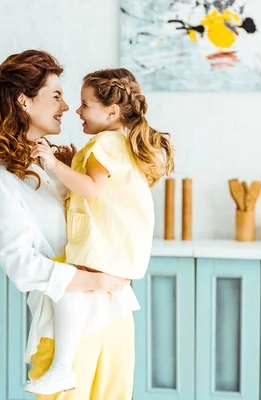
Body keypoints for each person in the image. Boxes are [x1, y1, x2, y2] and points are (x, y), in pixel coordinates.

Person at [0, 50, 138, 400]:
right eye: (57, 96)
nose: (66, 108)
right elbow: (21, 265)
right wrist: (96, 279)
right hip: (66, 333)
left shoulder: (64, 167)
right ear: (24, 102)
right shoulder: (4, 181)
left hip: (114, 315)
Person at [24, 68, 175, 395]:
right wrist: (74, 161)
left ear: (111, 111)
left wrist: (53, 164)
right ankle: (64, 367)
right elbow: (103, 187)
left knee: (66, 286)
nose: (76, 110)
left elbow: (92, 190)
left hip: (104, 244)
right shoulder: (119, 142)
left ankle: (62, 367)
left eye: (84, 104)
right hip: (119, 244)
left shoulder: (105, 143)